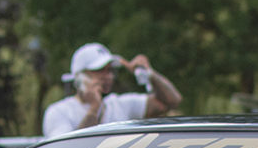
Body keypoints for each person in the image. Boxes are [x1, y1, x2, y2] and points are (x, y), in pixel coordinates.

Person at [41, 43, 182, 137]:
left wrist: (149, 74)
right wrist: (94, 108)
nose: (108, 76)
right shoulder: (59, 111)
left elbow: (171, 101)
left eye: (109, 70)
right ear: (80, 77)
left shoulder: (119, 104)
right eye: (99, 71)